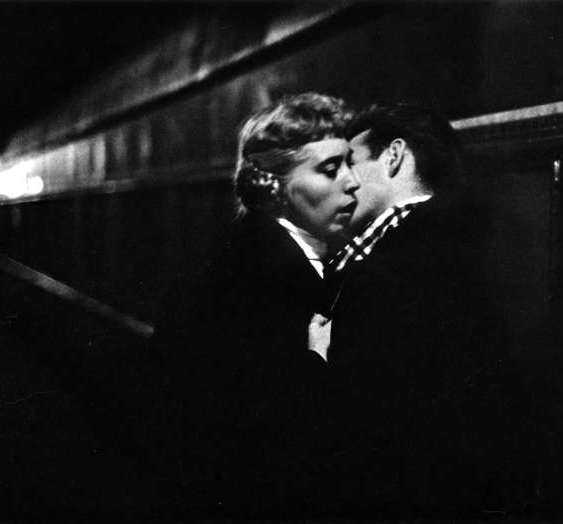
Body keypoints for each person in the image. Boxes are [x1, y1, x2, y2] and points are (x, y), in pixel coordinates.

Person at [316, 103, 542, 518]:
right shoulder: (449, 244)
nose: (341, 181)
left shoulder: (404, 263)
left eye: (351, 162)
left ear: (394, 156)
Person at [150, 92, 360, 519]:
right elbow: (268, 425)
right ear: (274, 185)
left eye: (350, 164)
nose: (352, 182)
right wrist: (317, 359)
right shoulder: (259, 279)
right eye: (330, 169)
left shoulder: (259, 258)